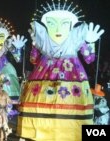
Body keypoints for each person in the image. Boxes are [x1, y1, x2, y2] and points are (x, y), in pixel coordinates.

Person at [17, 0, 105, 141]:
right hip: (43, 72)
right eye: (51, 23)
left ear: (71, 25)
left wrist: (90, 42)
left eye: (64, 23)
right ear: (45, 25)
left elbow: (90, 59)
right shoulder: (42, 39)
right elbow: (33, 60)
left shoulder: (76, 38)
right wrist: (32, 45)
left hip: (73, 74)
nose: (58, 29)